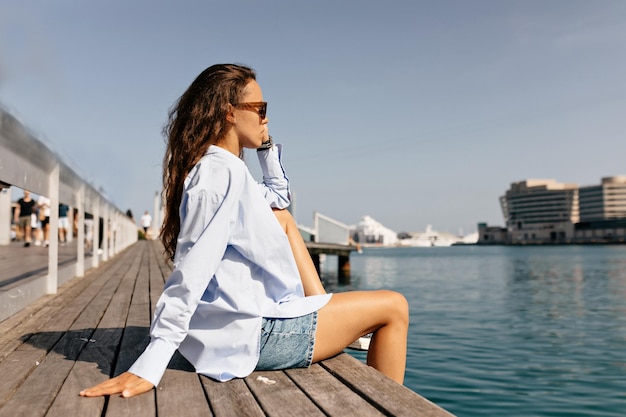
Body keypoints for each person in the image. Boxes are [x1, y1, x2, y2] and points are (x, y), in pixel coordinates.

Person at [80, 64, 408, 399]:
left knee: (283, 219)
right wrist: (153, 360)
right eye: (260, 110)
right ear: (229, 113)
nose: (266, 119)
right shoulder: (221, 176)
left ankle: (320, 307)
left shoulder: (225, 169)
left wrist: (265, 148)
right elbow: (190, 272)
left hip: (233, 332)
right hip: (250, 339)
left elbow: (279, 198)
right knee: (394, 307)